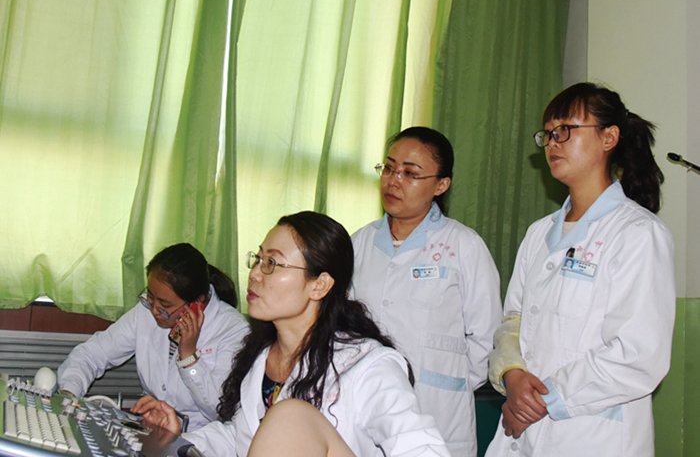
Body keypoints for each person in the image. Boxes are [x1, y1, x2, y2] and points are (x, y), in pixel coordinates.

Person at [138, 211, 451, 457]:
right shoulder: (262, 357)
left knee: (291, 416)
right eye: (258, 259)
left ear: (320, 285)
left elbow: (421, 449)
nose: (255, 273)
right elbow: (245, 438)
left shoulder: (368, 366)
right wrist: (179, 440)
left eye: (272, 263)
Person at [485, 83, 676, 457]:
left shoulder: (638, 233)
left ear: (609, 137)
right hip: (525, 431)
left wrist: (541, 400)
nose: (552, 143)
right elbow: (514, 321)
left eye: (565, 130)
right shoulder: (539, 233)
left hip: (592, 434)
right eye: (548, 133)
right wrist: (512, 374)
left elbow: (638, 355)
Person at [351, 126, 502, 456]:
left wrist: (448, 383)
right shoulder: (359, 243)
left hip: (439, 412)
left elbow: (486, 337)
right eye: (389, 168)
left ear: (441, 185)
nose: (393, 181)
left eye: (410, 173)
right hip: (366, 408)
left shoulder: (463, 245)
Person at [57, 243, 249, 430]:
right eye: (150, 297)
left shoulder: (232, 330)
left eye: (165, 305)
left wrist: (189, 358)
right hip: (151, 430)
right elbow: (91, 354)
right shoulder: (145, 312)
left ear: (196, 303)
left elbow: (221, 412)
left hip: (200, 440)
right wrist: (68, 394)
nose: (154, 310)